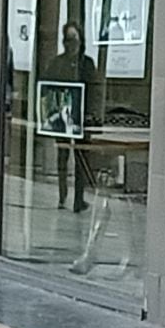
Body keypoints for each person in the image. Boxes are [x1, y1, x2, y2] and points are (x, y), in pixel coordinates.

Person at [42, 23, 97, 212]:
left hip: (81, 117)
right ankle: (62, 196)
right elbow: (48, 87)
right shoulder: (57, 62)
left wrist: (92, 114)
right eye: (67, 39)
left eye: (74, 39)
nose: (70, 44)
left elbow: (94, 90)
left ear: (81, 41)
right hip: (63, 117)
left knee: (81, 158)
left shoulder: (87, 63)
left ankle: (79, 199)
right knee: (62, 157)